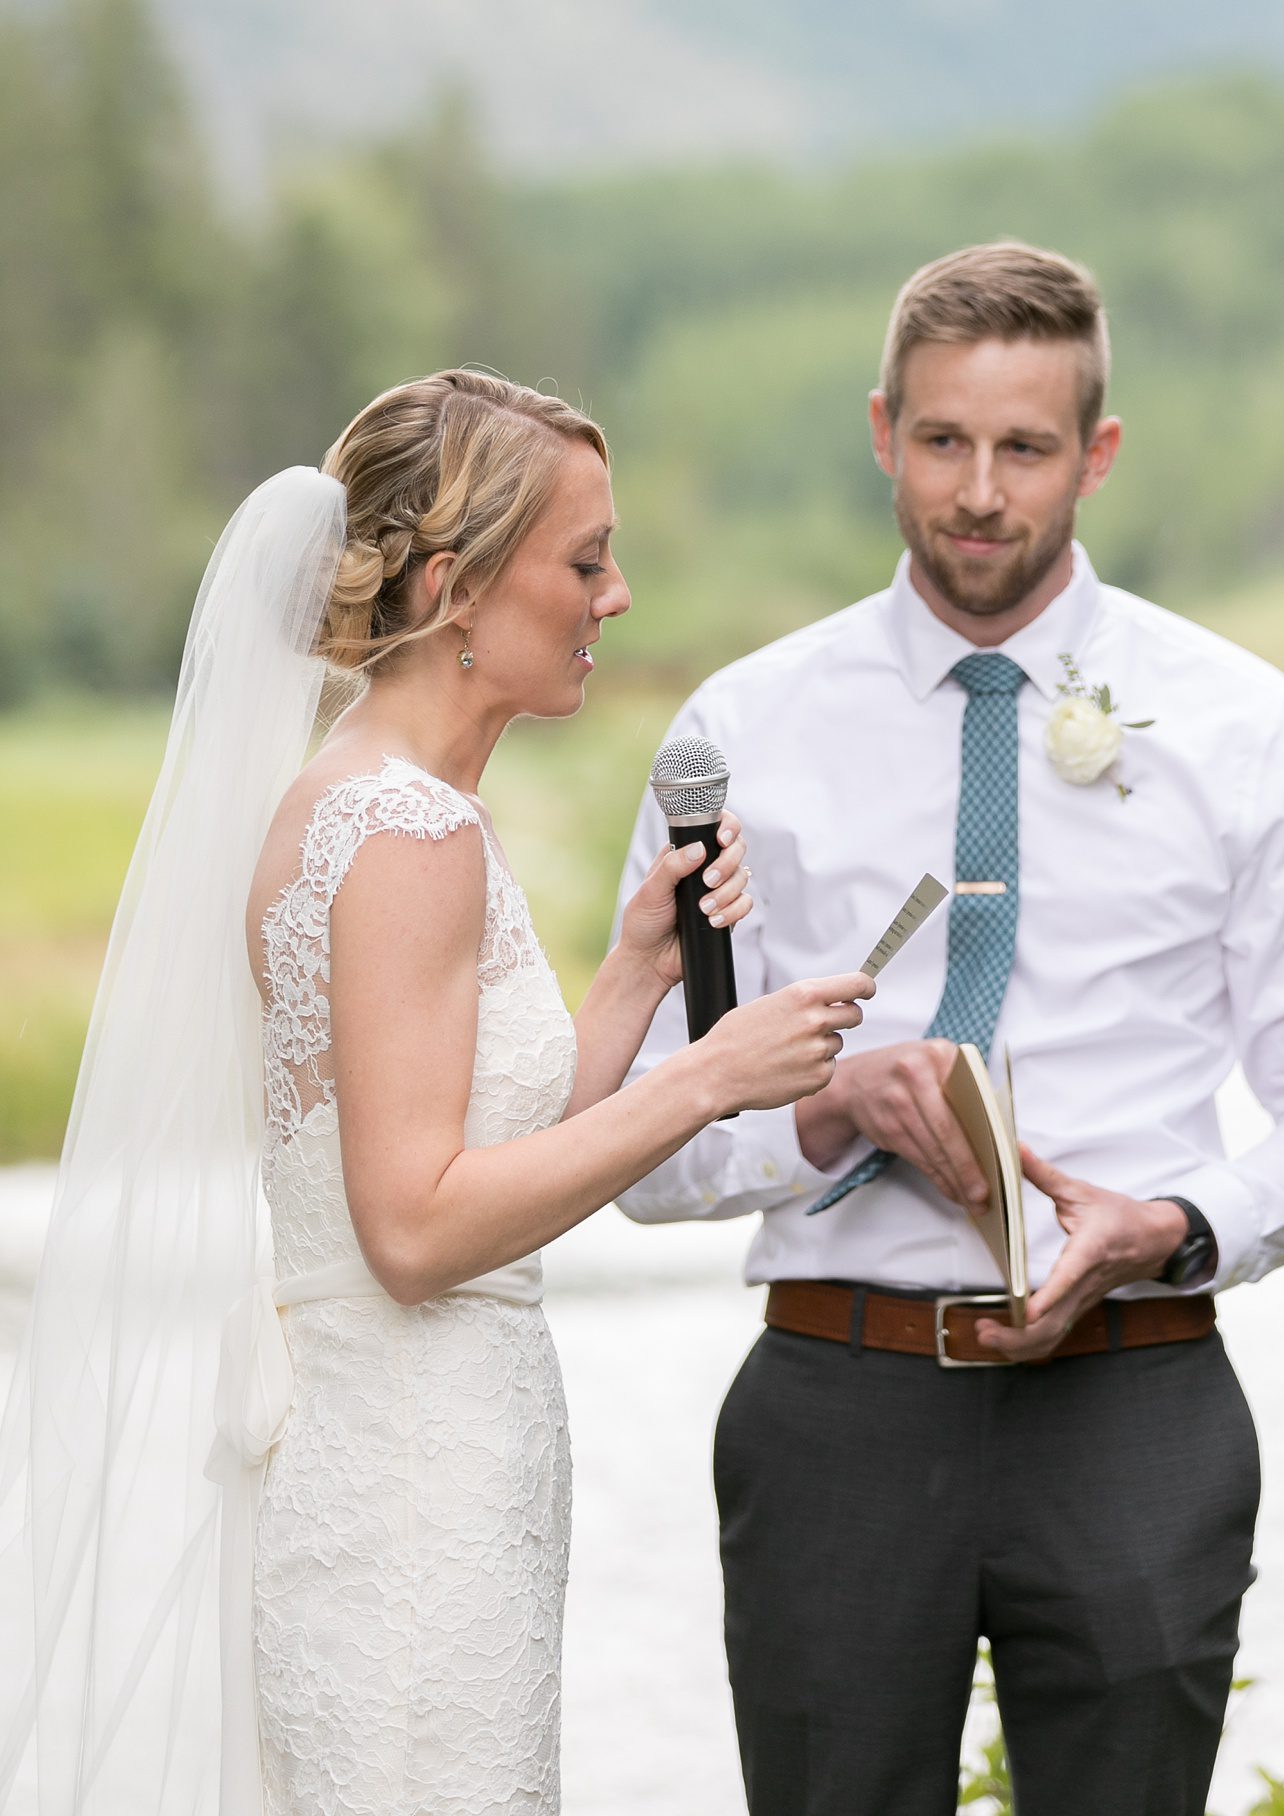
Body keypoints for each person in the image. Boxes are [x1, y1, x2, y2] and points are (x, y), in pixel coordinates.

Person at [1, 367, 872, 1816]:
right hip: (415, 1484)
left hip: (407, 1461)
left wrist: (635, 983)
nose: (620, 596)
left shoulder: (366, 800)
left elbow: (475, 1151)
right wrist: (710, 1078)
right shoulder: (408, 835)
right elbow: (412, 1230)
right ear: (459, 585)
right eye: (586, 560)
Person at [616, 243, 1284, 1816]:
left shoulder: (1247, 727)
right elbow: (642, 1143)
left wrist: (1171, 1222)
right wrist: (832, 1107)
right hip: (835, 1402)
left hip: (1138, 1394)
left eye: (1025, 449)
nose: (979, 493)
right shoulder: (737, 732)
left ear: (1096, 455)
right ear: (882, 429)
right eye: (942, 442)